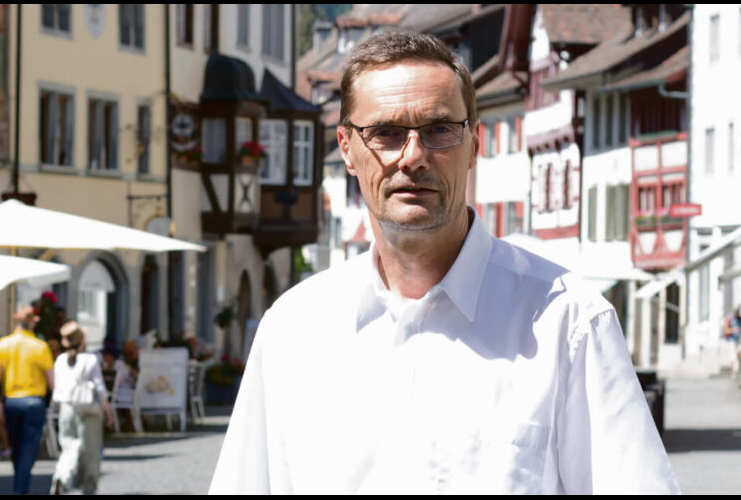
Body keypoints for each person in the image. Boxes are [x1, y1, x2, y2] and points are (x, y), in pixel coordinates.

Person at [209, 32, 679, 495]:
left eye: (438, 131)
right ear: (347, 149)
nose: (413, 157)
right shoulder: (294, 331)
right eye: (386, 134)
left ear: (474, 145)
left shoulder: (568, 323)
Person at [0, 306, 55, 495]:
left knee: (17, 446)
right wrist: (58, 403)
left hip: (12, 402)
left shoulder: (3, 344)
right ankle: (20, 489)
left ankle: (19, 485)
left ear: (16, 321)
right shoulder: (40, 346)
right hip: (34, 402)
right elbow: (51, 380)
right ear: (33, 323)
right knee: (29, 449)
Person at [50, 321, 112, 495]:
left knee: (68, 447)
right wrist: (108, 411)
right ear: (82, 341)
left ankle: (62, 475)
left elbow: (57, 388)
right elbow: (100, 389)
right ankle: (88, 488)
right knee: (90, 452)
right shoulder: (90, 359)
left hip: (66, 408)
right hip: (89, 409)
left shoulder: (60, 360)